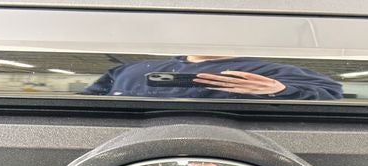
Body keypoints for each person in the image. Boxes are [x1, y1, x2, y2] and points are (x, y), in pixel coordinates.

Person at [83, 55, 342, 100]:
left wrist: (280, 90)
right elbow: (85, 102)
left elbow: (330, 93)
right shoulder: (130, 70)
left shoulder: (270, 71)